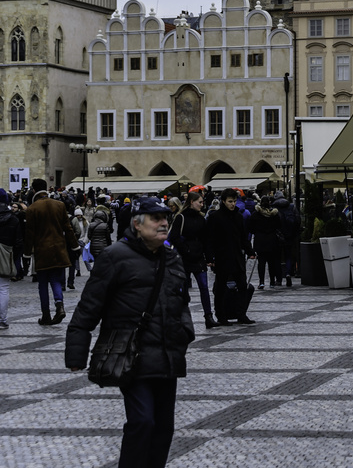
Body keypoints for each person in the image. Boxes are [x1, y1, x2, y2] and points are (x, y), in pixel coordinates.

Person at [65, 195, 194, 468]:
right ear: (137, 224)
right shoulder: (115, 257)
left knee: (163, 428)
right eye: (156, 219)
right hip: (130, 354)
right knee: (142, 421)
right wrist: (76, 353)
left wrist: (184, 332)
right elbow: (89, 307)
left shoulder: (172, 256)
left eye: (165, 219)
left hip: (167, 353)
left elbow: (180, 300)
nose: (163, 224)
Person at [23, 178, 80, 325]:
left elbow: (29, 234)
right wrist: (75, 246)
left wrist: (27, 254)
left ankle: (46, 315)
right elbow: (68, 229)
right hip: (58, 250)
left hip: (42, 251)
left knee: (42, 284)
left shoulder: (32, 209)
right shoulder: (59, 205)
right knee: (55, 280)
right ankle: (59, 306)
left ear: (34, 190)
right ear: (46, 188)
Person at [168, 186, 218, 328]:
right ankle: (181, 316)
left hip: (198, 258)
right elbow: (174, 237)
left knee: (204, 286)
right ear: (191, 202)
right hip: (184, 257)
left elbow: (206, 239)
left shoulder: (201, 219)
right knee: (183, 289)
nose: (202, 205)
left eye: (202, 202)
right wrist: (186, 251)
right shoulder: (181, 217)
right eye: (200, 202)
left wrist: (209, 258)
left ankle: (208, 316)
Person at [206, 188, 255, 324]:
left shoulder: (238, 216)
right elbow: (209, 239)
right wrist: (210, 258)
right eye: (230, 201)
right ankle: (221, 316)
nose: (232, 204)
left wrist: (250, 251)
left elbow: (243, 237)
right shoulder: (215, 217)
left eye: (234, 201)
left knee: (242, 286)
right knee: (221, 288)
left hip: (237, 257)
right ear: (223, 201)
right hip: (222, 257)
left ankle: (241, 314)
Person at [0, 188, 22, 328]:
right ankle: (2, 319)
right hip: (6, 253)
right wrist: (15, 258)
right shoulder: (13, 219)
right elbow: (19, 242)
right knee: (3, 288)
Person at [249, 194, 282, 288]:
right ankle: (272, 281)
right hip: (272, 240)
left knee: (261, 263)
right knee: (271, 262)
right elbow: (279, 225)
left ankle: (261, 282)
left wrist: (257, 232)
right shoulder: (274, 215)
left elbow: (250, 228)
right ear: (269, 203)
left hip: (260, 240)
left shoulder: (255, 214)